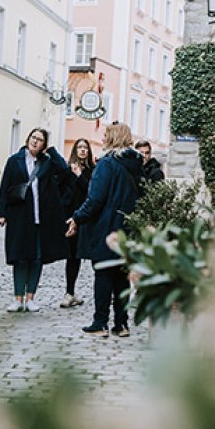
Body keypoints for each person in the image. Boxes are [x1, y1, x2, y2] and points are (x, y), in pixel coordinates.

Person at [66, 122, 143, 337]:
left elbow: (96, 199)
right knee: (122, 275)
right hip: (128, 227)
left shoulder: (106, 164)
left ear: (113, 139)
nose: (102, 138)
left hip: (106, 226)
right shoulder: (137, 163)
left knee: (103, 274)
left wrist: (77, 217)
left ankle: (100, 323)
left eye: (106, 135)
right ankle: (122, 324)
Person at [0, 127, 72, 313]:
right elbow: (5, 185)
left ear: (44, 145)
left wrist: (52, 151)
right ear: (28, 138)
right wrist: (1, 212)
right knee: (20, 257)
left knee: (36, 258)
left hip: (42, 216)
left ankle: (31, 297)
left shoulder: (47, 162)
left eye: (39, 140)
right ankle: (17, 298)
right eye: (33, 137)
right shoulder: (15, 160)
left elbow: (64, 170)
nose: (35, 141)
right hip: (19, 215)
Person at [60, 138, 95, 308]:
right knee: (72, 255)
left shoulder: (92, 171)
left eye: (85, 148)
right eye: (79, 147)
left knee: (84, 254)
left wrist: (80, 175)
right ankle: (69, 291)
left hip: (86, 217)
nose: (82, 150)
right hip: (70, 216)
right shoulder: (67, 170)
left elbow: (91, 191)